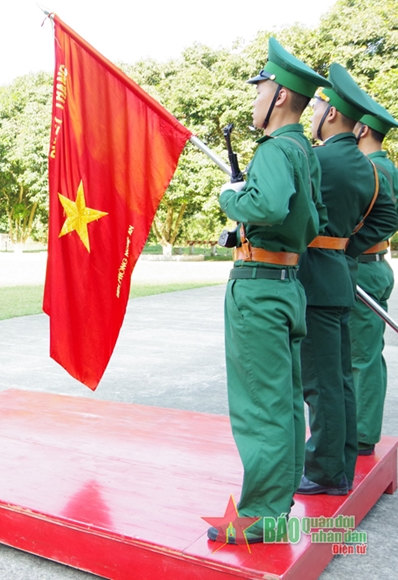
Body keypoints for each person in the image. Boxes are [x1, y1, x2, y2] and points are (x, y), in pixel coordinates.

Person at [209, 38, 329, 545]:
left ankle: (260, 517)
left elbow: (271, 206)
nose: (255, 97)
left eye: (260, 88)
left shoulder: (278, 149)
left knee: (259, 406)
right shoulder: (305, 151)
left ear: (279, 95)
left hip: (258, 290)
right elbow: (313, 220)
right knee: (280, 405)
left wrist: (232, 199)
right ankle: (277, 507)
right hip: (286, 285)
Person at [297, 63, 398, 496]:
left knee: (320, 381)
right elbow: (389, 214)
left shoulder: (316, 159)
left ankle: (324, 472)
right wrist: (346, 246)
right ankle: (338, 462)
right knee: (340, 377)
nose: (313, 111)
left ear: (332, 114)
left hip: (315, 277)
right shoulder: (363, 164)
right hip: (339, 274)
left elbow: (290, 213)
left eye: (317, 106)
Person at [351, 96, 398, 458]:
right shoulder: (385, 165)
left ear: (363, 129)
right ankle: (361, 430)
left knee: (361, 358)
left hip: (363, 266)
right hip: (374, 264)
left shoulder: (372, 169)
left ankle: (363, 435)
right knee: (367, 354)